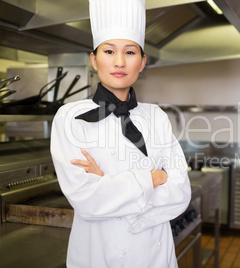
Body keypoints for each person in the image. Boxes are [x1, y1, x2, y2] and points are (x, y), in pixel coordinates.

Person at [50, 0, 191, 267]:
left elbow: (180, 193)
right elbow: (87, 201)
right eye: (108, 51)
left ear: (142, 62)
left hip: (155, 257)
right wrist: (153, 178)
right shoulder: (70, 118)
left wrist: (109, 184)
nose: (118, 62)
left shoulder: (156, 117)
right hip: (96, 255)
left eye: (129, 52)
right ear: (94, 59)